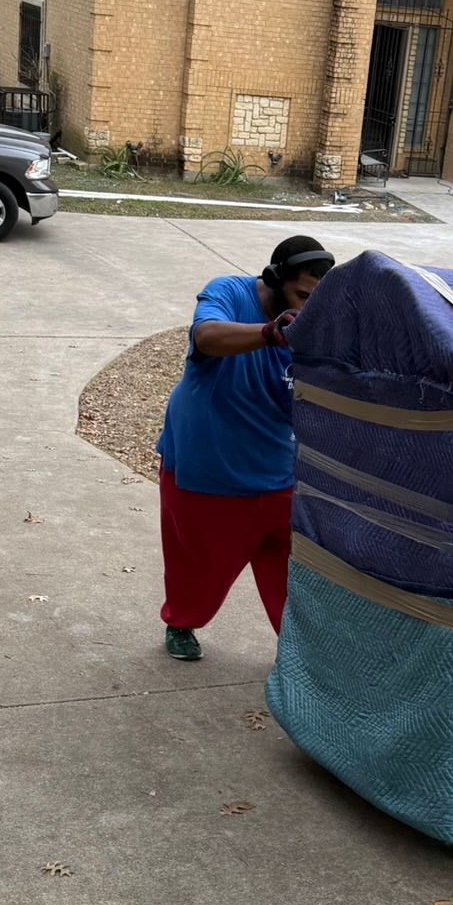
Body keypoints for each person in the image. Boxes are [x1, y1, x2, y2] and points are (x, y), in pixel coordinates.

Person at [156, 236, 335, 660]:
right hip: (205, 468)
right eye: (301, 296)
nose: (307, 310)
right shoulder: (229, 293)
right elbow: (206, 337)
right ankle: (181, 622)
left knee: (293, 577)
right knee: (197, 567)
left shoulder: (315, 329)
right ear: (275, 279)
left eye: (317, 301)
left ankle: (301, 656)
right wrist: (272, 333)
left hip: (277, 472)